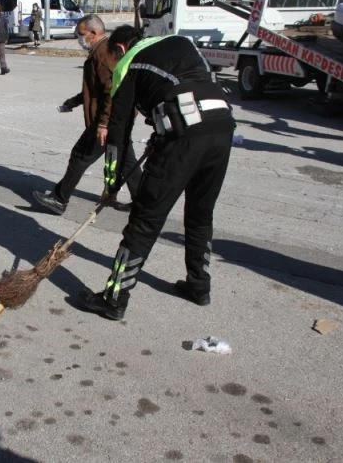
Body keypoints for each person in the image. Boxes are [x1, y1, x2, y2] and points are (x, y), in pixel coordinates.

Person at [77, 25, 235, 321]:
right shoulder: (181, 43)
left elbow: (117, 134)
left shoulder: (128, 64)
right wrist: (161, 133)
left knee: (145, 221)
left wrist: (112, 183)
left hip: (183, 139)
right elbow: (185, 87)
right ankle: (199, 286)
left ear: (120, 48)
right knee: (201, 215)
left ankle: (113, 299)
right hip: (222, 127)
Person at [33, 15, 141, 215]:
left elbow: (112, 91)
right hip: (119, 118)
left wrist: (103, 123)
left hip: (109, 120)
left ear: (93, 33)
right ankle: (144, 204)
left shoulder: (103, 54)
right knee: (126, 160)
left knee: (80, 156)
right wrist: (73, 102)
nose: (79, 38)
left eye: (81, 34)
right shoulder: (102, 51)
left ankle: (59, 199)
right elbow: (96, 90)